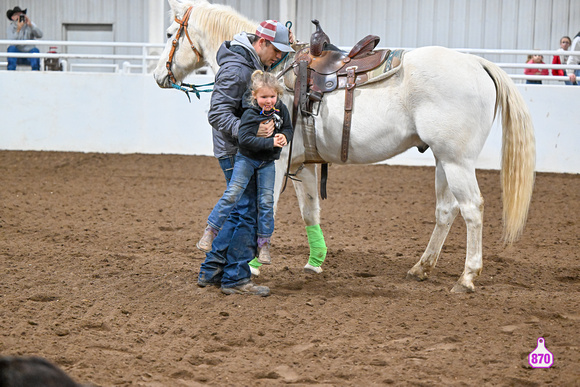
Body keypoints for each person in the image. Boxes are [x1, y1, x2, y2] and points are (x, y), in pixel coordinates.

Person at [197, 20, 294, 297]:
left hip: (240, 149)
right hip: (236, 150)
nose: (279, 57)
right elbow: (216, 113)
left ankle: (212, 271)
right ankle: (236, 278)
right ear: (261, 43)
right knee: (249, 213)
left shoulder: (246, 66)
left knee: (240, 210)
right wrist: (247, 131)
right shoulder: (237, 69)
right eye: (277, 50)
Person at [198, 70, 293, 266]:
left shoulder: (281, 109)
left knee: (267, 202)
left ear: (278, 95)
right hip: (247, 159)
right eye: (264, 97)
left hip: (267, 163)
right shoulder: (250, 113)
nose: (269, 101)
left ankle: (264, 243)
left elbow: (288, 128)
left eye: (272, 96)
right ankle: (211, 230)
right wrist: (271, 143)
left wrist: (285, 136)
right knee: (233, 193)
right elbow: (245, 140)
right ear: (255, 96)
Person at [6, 6, 43, 71]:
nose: (19, 16)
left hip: (29, 53)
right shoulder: (11, 28)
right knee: (11, 49)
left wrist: (31, 25)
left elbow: (40, 35)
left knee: (35, 50)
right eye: (17, 15)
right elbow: (11, 41)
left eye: (21, 14)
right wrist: (18, 29)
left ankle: (35, 72)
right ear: (12, 17)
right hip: (17, 54)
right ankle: (11, 71)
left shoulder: (30, 25)